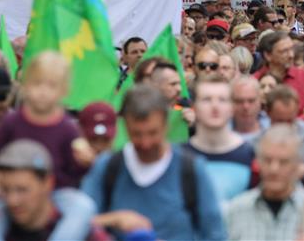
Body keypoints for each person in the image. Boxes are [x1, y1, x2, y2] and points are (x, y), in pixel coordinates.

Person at [81, 84, 225, 240]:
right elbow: (79, 225)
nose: (145, 143)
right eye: (137, 134)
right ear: (125, 126)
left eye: (152, 133)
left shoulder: (191, 170)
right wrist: (114, 219)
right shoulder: (107, 167)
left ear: (165, 125)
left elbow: (215, 233)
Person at [226, 124, 304, 241]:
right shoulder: (235, 212)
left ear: (297, 165)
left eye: (283, 162)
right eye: (268, 160)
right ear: (258, 162)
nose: (274, 169)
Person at [0, 52, 86, 189]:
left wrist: (86, 162)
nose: (43, 91)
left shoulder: (68, 129)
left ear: (64, 91)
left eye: (52, 86)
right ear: (25, 86)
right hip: (13, 191)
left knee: (82, 205)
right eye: (37, 83)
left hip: (54, 194)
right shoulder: (11, 122)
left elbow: (73, 170)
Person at [0, 140, 102, 241]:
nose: (12, 200)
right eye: (5, 189)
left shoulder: (84, 231)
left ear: (48, 183)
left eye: (22, 190)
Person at [183, 75, 254, 206]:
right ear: (194, 107)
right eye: (206, 99)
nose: (215, 106)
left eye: (222, 100)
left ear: (232, 107)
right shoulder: (179, 157)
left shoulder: (251, 155)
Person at [252, 31, 304, 124]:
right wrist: (298, 120)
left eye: (291, 50)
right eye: (284, 51)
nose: (291, 55)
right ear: (268, 55)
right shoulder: (254, 82)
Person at [231, 76, 268, 141]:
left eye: (251, 101)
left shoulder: (273, 127)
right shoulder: (218, 131)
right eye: (239, 101)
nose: (246, 106)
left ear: (260, 101)